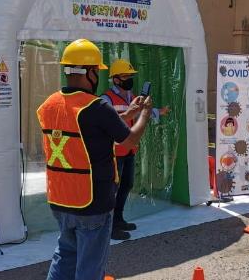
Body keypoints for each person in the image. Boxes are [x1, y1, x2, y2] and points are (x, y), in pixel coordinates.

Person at [37, 39, 152, 280]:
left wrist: (126, 112)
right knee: (90, 266)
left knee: (65, 254)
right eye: (96, 71)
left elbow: (92, 120)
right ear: (90, 72)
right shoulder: (96, 106)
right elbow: (128, 140)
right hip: (92, 202)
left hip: (61, 199)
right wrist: (144, 115)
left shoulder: (49, 104)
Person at [100, 59, 169, 240]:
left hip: (129, 150)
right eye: (125, 76)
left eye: (130, 76)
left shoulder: (131, 97)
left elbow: (139, 112)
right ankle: (110, 227)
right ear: (115, 79)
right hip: (114, 153)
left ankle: (119, 219)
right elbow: (106, 123)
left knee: (126, 185)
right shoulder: (106, 99)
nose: (129, 79)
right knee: (112, 189)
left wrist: (157, 112)